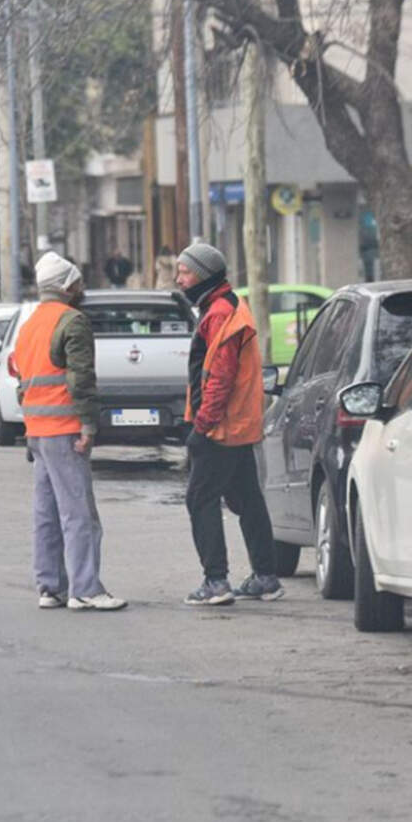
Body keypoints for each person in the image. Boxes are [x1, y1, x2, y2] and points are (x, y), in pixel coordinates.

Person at [10, 252, 126, 611]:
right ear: (67, 286)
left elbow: (21, 382)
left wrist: (31, 426)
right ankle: (86, 589)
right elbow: (81, 379)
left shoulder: (28, 326)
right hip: (65, 428)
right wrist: (89, 425)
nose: (82, 288)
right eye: (78, 282)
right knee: (79, 514)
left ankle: (51, 587)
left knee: (46, 513)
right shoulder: (72, 321)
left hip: (38, 431)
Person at [174, 242, 283, 605]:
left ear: (203, 274)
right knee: (248, 499)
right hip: (238, 425)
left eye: (185, 272)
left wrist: (202, 427)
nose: (179, 279)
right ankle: (266, 576)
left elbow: (219, 377)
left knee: (199, 499)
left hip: (221, 428)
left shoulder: (219, 314)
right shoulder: (229, 306)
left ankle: (216, 582)